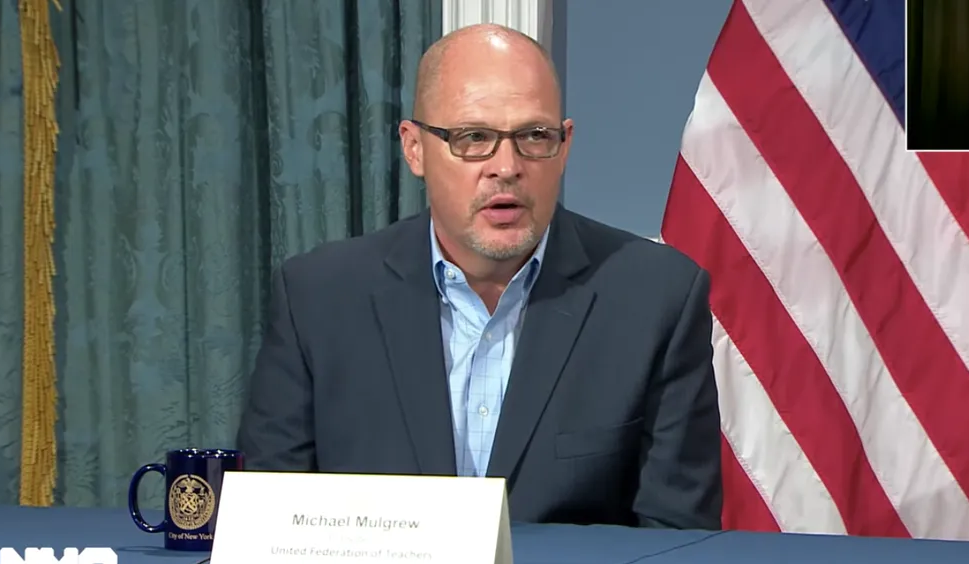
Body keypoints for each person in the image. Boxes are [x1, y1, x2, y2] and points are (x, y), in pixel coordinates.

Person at [236, 23, 722, 530]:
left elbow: (674, 546)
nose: (506, 167)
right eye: (474, 138)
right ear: (414, 148)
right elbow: (270, 530)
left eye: (535, 136)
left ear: (565, 144)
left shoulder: (656, 300)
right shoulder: (318, 299)